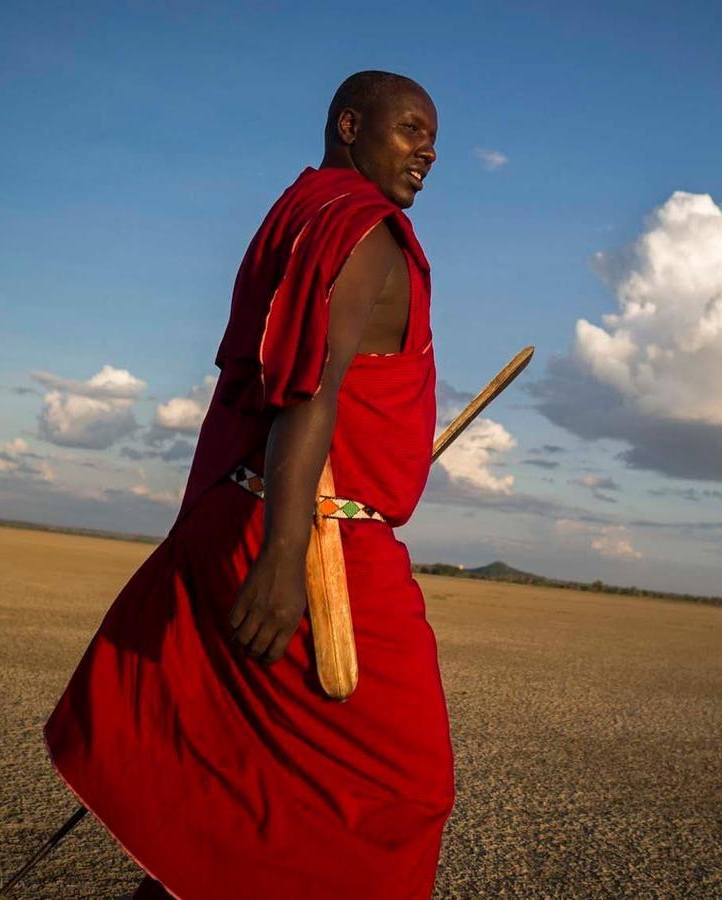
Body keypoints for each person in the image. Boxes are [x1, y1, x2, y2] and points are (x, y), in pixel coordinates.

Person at [43, 70, 454, 899]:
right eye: (410, 129)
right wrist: (283, 555)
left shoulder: (301, 216)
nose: (428, 152)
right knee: (404, 789)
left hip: (255, 513)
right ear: (349, 125)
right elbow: (308, 386)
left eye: (432, 138)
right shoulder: (360, 229)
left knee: (247, 778)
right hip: (313, 540)